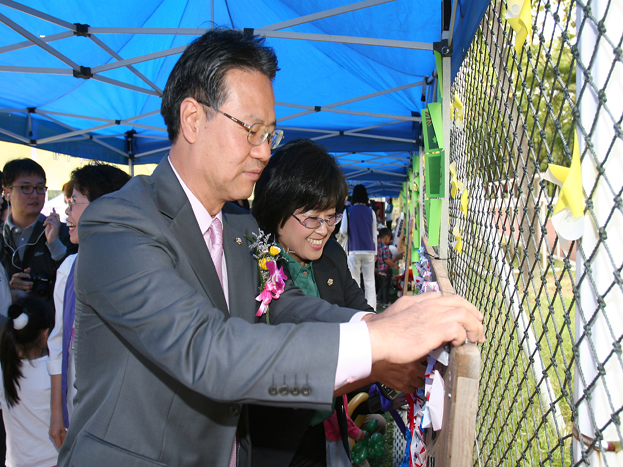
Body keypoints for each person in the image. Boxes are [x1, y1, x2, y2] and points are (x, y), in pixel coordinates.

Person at [58, 28, 484, 467]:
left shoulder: (239, 223)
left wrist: (373, 320)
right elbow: (205, 350)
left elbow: (281, 304)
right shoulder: (120, 223)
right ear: (192, 119)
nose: (263, 152)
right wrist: (377, 341)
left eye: (271, 135)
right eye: (252, 130)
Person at [250, 139, 405, 467]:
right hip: (275, 437)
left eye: (331, 217)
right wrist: (378, 344)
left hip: (324, 421)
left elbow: (356, 305)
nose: (323, 230)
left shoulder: (331, 253)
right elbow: (291, 314)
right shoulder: (255, 255)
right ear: (277, 209)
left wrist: (387, 332)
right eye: (311, 218)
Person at [48, 163, 131, 448]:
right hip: (79, 410)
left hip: (122, 418)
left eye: (74, 203)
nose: (67, 213)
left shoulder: (134, 269)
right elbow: (58, 343)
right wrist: (58, 413)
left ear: (105, 206)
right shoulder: (68, 269)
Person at [0, 159, 77, 307]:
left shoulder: (65, 233)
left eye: (40, 188)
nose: (35, 195)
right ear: (7, 193)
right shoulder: (2, 236)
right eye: (25, 187)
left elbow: (75, 280)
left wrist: (55, 245)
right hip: (8, 326)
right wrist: (6, 288)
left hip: (52, 325)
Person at [0, 295, 57, 467]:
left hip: (16, 462)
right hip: (53, 460)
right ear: (46, 334)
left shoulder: (4, 371)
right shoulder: (54, 374)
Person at [340, 184, 378, 309]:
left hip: (354, 249)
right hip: (369, 250)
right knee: (369, 281)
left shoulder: (348, 211)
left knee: (354, 280)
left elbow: (344, 230)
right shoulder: (371, 212)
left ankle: (356, 309)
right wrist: (376, 252)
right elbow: (374, 235)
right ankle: (371, 308)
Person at [376, 228, 398, 309]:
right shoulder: (385, 247)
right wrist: (394, 265)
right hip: (385, 270)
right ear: (387, 237)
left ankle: (379, 300)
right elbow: (386, 260)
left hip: (380, 270)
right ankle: (385, 302)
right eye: (390, 238)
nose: (390, 240)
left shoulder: (378, 246)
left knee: (382, 286)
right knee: (386, 287)